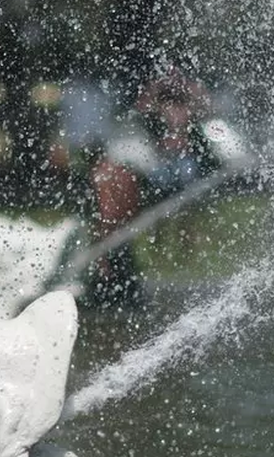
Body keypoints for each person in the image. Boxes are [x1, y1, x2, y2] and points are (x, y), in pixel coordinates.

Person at [87, 66, 213, 306]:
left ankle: (115, 276)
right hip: (139, 172)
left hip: (153, 171)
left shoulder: (148, 132)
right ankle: (109, 275)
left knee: (114, 222)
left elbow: (205, 108)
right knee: (109, 221)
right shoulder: (136, 123)